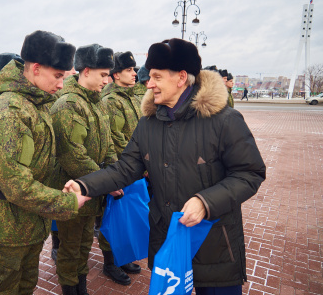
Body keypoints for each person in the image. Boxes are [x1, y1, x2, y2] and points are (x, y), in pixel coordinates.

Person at [65, 38, 266, 295]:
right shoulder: (149, 123)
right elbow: (125, 168)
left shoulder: (224, 120)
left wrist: (205, 202)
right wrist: (85, 186)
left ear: (181, 77)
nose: (148, 84)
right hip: (168, 241)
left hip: (214, 242)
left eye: (157, 77)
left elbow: (250, 173)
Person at [0, 30, 90, 295]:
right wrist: (66, 202)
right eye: (58, 76)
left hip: (29, 222)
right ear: (35, 69)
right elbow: (15, 184)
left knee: (25, 287)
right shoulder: (9, 112)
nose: (61, 84)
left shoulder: (35, 104)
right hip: (6, 228)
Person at [50, 43, 117, 295]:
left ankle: (82, 288)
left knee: (83, 245)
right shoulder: (68, 104)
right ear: (86, 71)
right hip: (73, 190)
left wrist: (112, 172)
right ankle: (71, 290)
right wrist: (107, 181)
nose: (106, 80)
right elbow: (72, 155)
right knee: (69, 248)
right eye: (102, 74)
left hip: (92, 189)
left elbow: (108, 143)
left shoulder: (96, 103)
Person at [99, 51, 143, 284]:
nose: (134, 74)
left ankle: (122, 257)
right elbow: (115, 139)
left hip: (135, 168)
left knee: (127, 217)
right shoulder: (112, 101)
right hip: (122, 169)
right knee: (114, 218)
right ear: (116, 75)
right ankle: (109, 263)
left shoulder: (132, 98)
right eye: (129, 70)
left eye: (134, 70)